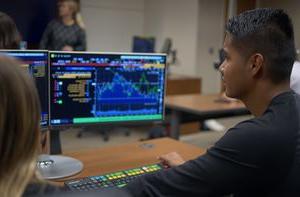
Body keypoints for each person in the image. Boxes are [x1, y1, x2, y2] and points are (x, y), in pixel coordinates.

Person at [124, 8, 300, 196]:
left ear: (255, 64)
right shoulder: (293, 111)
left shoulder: (255, 135)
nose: (221, 67)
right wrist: (193, 172)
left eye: (227, 58)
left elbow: (150, 189)